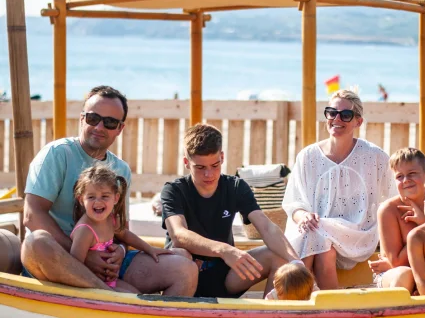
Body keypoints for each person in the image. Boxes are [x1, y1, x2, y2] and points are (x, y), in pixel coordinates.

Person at [22, 85, 198, 295]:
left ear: (119, 129)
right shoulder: (57, 154)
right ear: (81, 118)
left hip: (104, 262)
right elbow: (32, 215)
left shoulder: (121, 169)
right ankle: (111, 296)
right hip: (58, 259)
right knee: (36, 241)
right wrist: (84, 256)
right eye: (93, 118)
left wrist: (120, 252)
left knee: (185, 267)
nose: (99, 126)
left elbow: (120, 229)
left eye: (110, 122)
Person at [161, 123, 300, 298]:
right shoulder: (173, 190)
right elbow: (179, 235)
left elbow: (266, 227)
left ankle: (268, 316)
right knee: (181, 255)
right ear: (186, 163)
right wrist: (224, 250)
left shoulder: (235, 186)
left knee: (278, 257)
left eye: (215, 165)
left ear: (222, 157)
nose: (209, 174)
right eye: (200, 167)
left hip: (225, 275)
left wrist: (297, 263)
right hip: (186, 273)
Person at [283, 89, 394, 289]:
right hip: (317, 232)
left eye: (346, 115)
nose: (337, 119)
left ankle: (294, 297)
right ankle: (325, 303)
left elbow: (394, 197)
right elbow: (294, 204)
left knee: (316, 234)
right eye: (331, 112)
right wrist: (304, 216)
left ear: (358, 122)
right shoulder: (307, 156)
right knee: (317, 237)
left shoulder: (374, 156)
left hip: (358, 233)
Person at [70, 164, 173, 292]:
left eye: (105, 196)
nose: (98, 202)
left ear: (116, 198)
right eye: (91, 197)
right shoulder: (85, 230)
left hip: (111, 280)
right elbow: (74, 266)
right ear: (81, 199)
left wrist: (150, 249)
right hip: (93, 285)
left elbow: (125, 235)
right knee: (133, 300)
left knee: (137, 296)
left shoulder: (111, 219)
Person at [369, 147, 425, 293]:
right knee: (405, 274)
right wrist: (423, 227)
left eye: (412, 174)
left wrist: (424, 221)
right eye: (399, 177)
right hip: (394, 274)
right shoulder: (388, 210)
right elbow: (396, 262)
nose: (406, 180)